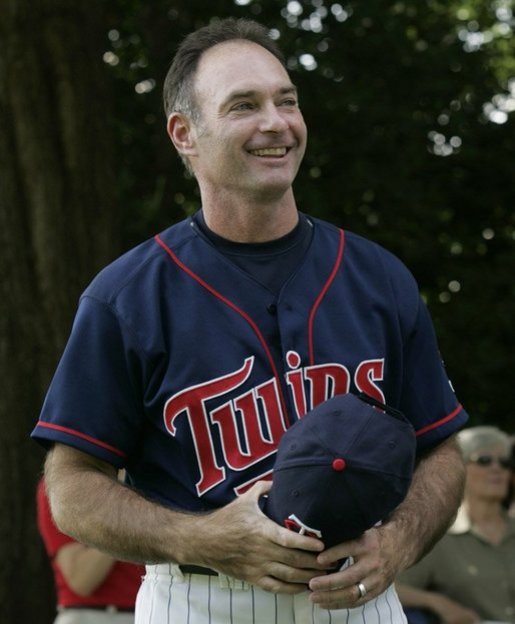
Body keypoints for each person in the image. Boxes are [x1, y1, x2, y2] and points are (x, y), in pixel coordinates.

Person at [32, 17, 469, 624]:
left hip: (358, 598)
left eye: (285, 101)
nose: (276, 122)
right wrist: (198, 537)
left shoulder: (378, 276)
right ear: (185, 133)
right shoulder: (126, 296)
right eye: (244, 105)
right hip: (201, 599)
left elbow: (441, 449)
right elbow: (72, 484)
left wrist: (398, 541)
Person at [396, 426, 515, 624]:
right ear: (458, 470)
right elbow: (393, 587)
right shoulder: (439, 537)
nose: (497, 469)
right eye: (484, 460)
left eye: (504, 463)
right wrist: (437, 602)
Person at [37, 477, 144, 623]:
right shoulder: (61, 483)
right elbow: (81, 580)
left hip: (150, 611)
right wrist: (123, 514)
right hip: (91, 615)